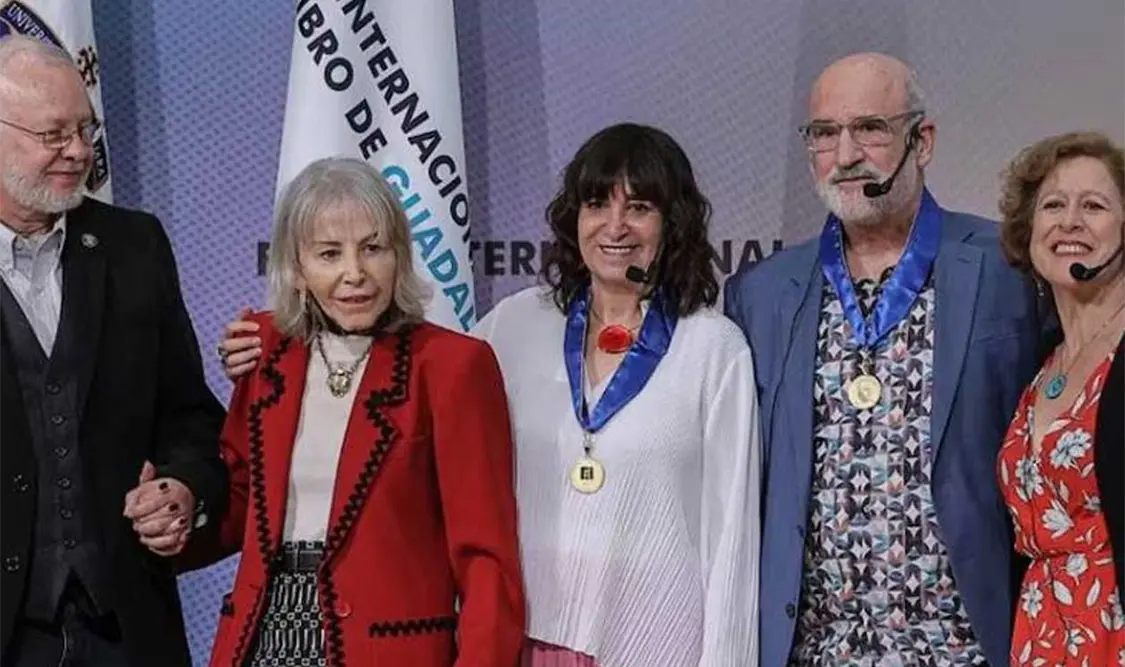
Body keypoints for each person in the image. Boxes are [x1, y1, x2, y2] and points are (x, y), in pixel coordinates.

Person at [219, 123, 761, 667]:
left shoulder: (713, 349)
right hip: (527, 638)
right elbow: (395, 371)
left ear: (675, 223)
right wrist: (267, 339)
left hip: (653, 642)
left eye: (639, 207)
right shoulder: (516, 323)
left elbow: (732, 537)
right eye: (597, 203)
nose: (614, 226)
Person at [724, 52, 1042, 667]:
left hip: (965, 648)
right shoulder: (760, 294)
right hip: (813, 652)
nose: (844, 155)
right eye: (824, 134)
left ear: (921, 140)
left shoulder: (1011, 269)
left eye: (869, 128)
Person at [202, 157, 525, 667]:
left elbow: (487, 560)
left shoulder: (452, 367)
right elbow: (238, 500)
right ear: (298, 269)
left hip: (390, 650)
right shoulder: (265, 353)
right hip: (262, 639)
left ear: (399, 256)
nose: (355, 273)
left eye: (373, 248)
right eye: (329, 254)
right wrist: (173, 513)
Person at [0, 35, 228, 667]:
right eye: (53, 134)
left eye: (84, 129)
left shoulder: (135, 246)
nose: (79, 151)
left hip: (127, 631)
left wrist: (183, 486)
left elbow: (190, 419)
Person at [995, 131, 1125, 666]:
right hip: (1041, 636)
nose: (1069, 221)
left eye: (1093, 205)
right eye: (1053, 205)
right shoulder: (1040, 362)